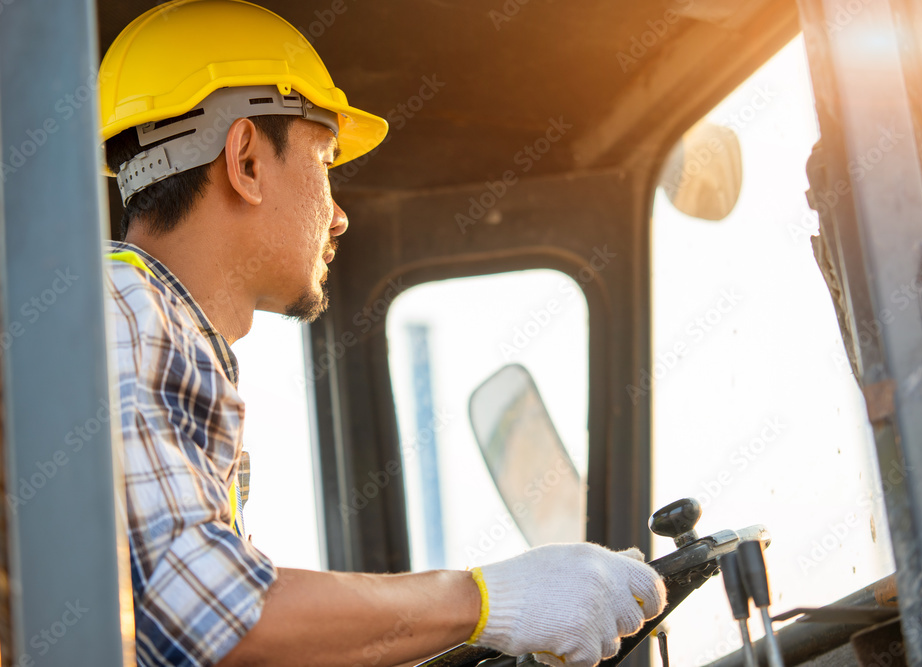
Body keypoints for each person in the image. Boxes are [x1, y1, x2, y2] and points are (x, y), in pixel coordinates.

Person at [99, 1, 667, 666]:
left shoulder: (141, 326)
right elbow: (203, 614)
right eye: (326, 163)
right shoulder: (129, 309)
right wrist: (487, 599)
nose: (338, 216)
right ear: (247, 160)